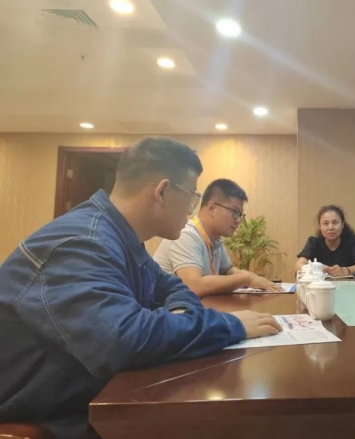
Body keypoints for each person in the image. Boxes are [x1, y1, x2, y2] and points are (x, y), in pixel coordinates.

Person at [0, 137, 282, 438]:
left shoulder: (123, 238)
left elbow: (174, 287)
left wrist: (180, 315)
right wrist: (229, 325)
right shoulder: (83, 242)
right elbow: (123, 340)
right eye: (191, 196)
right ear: (162, 191)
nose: (191, 210)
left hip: (84, 392)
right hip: (44, 410)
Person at [154, 178, 281, 296]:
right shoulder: (186, 234)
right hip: (166, 309)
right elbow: (193, 286)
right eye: (235, 212)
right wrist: (245, 279)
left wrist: (255, 278)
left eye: (240, 214)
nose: (238, 220)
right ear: (212, 208)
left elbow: (229, 270)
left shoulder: (215, 239)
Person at [295, 205, 355, 277]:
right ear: (320, 226)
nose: (330, 228)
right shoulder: (313, 242)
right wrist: (318, 269)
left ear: (342, 225)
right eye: (325, 223)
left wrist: (345, 270)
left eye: (335, 222)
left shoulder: (351, 241)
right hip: (320, 283)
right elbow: (298, 266)